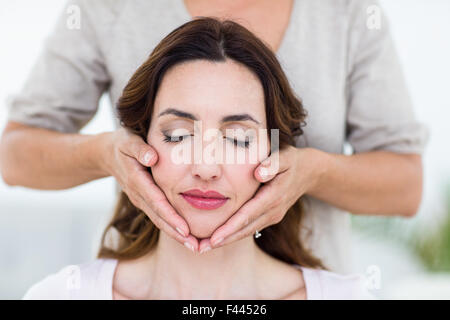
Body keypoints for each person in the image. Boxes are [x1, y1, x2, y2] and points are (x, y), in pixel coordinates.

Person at [0, 0, 429, 274]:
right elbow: (15, 157)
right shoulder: (107, 8)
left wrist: (312, 172)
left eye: (240, 140)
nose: (206, 166)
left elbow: (405, 187)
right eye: (177, 134)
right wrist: (103, 153)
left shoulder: (347, 14)